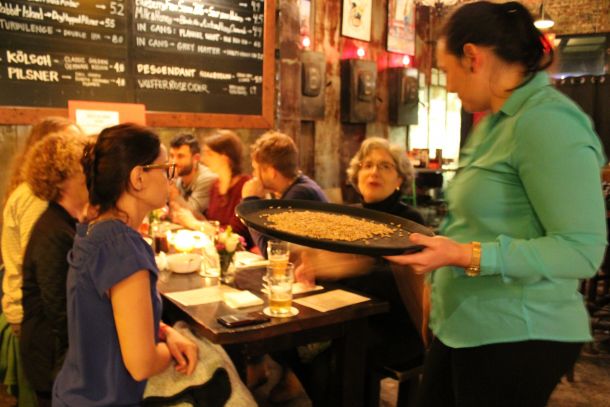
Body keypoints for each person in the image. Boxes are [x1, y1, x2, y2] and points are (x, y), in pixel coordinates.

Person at [386, 2, 607, 406]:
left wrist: (461, 256)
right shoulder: (497, 121)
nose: (448, 84)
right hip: (466, 324)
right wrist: (437, 282)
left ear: (473, 57)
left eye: (447, 69)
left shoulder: (547, 122)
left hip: (519, 333)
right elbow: (480, 222)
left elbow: (581, 251)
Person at [53, 124, 198, 406]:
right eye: (166, 169)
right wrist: (184, 346)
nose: (172, 179)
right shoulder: (122, 248)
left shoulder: (95, 231)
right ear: (138, 178)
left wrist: (165, 332)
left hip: (75, 392)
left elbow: (109, 316)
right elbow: (142, 364)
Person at [292, 137, 425, 404]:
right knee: (293, 344)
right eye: (367, 165)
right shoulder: (349, 217)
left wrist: (349, 269)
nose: (374, 172)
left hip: (396, 325)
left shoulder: (410, 221)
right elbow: (326, 264)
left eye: (385, 166)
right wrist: (312, 267)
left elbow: (406, 284)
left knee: (341, 356)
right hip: (348, 316)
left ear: (399, 179)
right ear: (357, 175)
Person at [19, 132, 90, 407]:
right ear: (62, 178)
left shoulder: (66, 223)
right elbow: (62, 314)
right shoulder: (53, 233)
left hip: (58, 357)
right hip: (50, 360)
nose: (90, 175)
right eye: (83, 168)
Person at [2, 116, 82, 338]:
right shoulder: (35, 197)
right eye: (68, 144)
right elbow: (43, 268)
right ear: (48, 151)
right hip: (32, 316)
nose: (78, 153)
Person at [242, 130, 328, 254]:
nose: (253, 174)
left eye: (255, 169)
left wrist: (250, 201)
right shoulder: (296, 187)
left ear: (271, 172)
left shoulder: (299, 195)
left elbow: (273, 251)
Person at [172, 130, 253, 247]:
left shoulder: (245, 186)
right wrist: (186, 216)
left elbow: (235, 235)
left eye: (209, 154)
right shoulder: (215, 186)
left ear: (225, 158)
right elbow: (211, 223)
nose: (203, 159)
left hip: (244, 258)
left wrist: (194, 223)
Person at [169, 133, 218, 220]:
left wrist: (173, 193)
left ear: (196, 158)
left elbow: (193, 214)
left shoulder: (207, 178)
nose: (174, 161)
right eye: (172, 156)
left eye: (180, 156)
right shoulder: (178, 176)